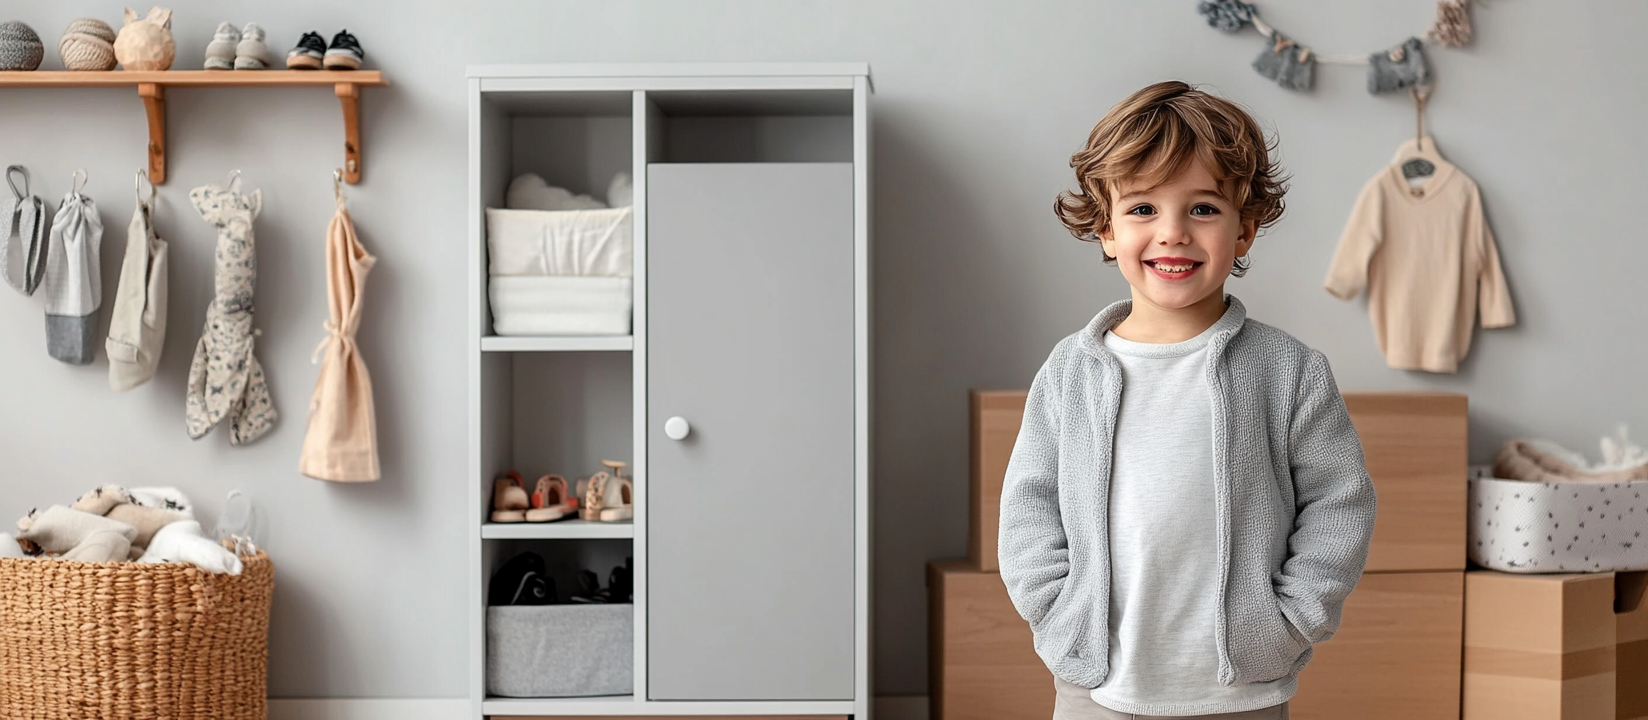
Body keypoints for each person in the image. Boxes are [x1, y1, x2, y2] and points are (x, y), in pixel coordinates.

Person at [997, 80, 1378, 720]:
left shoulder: (1288, 370)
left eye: (1203, 209)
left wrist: (1291, 620)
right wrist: (1056, 610)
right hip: (1095, 687)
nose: (1172, 233)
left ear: (1246, 229)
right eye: (1143, 209)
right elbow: (1028, 503)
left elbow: (1340, 500)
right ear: (1106, 229)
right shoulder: (1070, 371)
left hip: (1242, 691)